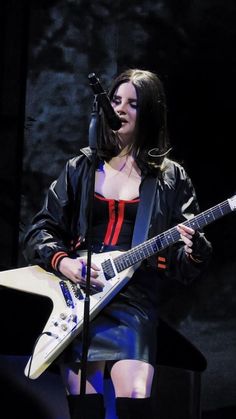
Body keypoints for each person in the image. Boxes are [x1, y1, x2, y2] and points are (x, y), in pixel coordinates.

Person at [22, 68, 212, 419]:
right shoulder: (81, 168)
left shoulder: (170, 177)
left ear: (150, 113)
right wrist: (66, 263)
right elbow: (39, 232)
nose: (121, 109)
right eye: (116, 100)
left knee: (135, 395)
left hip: (134, 301)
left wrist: (193, 252)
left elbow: (184, 265)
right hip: (78, 299)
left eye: (133, 104)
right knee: (85, 408)